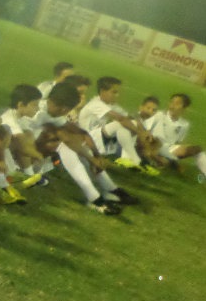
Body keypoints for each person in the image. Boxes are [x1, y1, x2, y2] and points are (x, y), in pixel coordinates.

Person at [31, 83, 138, 214]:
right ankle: (96, 199)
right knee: (64, 145)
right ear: (61, 106)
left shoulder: (52, 111)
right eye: (65, 109)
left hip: (38, 158)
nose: (65, 112)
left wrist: (96, 155)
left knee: (73, 144)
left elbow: (82, 133)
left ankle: (111, 190)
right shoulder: (38, 113)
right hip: (24, 164)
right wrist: (92, 160)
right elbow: (65, 139)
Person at [77, 76, 157, 175]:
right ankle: (135, 159)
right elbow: (121, 119)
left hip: (95, 140)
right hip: (84, 141)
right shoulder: (96, 104)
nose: (117, 95)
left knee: (126, 127)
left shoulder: (111, 105)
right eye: (114, 92)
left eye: (117, 92)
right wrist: (140, 133)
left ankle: (131, 160)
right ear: (102, 91)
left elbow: (131, 118)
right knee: (120, 124)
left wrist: (145, 132)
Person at [144, 93, 206, 178]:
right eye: (172, 102)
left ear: (184, 108)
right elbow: (145, 130)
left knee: (197, 150)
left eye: (177, 103)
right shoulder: (159, 115)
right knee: (195, 149)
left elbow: (177, 143)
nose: (172, 105)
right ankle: (162, 160)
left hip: (170, 149)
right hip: (155, 145)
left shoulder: (184, 124)